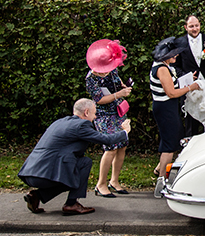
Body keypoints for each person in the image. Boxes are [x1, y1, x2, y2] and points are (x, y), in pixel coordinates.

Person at [19, 99, 131, 215]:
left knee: (72, 171)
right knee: (85, 163)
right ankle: (72, 204)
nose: (95, 116)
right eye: (94, 112)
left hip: (31, 172)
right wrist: (125, 132)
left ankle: (36, 196)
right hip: (47, 174)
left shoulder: (60, 122)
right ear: (86, 112)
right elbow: (106, 140)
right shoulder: (82, 125)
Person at [150, 36, 201, 198]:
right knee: (169, 145)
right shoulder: (162, 69)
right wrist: (190, 87)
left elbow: (171, 85)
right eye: (174, 54)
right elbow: (171, 93)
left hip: (167, 107)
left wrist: (185, 81)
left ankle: (160, 169)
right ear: (165, 55)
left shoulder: (164, 66)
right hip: (165, 108)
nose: (176, 56)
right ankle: (161, 183)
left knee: (170, 139)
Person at [85, 39, 133, 198]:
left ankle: (114, 181)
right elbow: (99, 99)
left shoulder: (111, 68)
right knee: (111, 147)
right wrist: (119, 94)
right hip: (104, 116)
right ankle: (101, 184)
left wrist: (122, 87)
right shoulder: (90, 79)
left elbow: (116, 81)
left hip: (118, 112)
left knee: (122, 145)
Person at [174, 15, 205, 137]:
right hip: (190, 87)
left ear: (200, 25)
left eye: (196, 25)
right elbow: (175, 66)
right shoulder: (179, 43)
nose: (194, 29)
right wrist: (185, 76)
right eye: (191, 26)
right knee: (191, 121)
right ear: (185, 27)